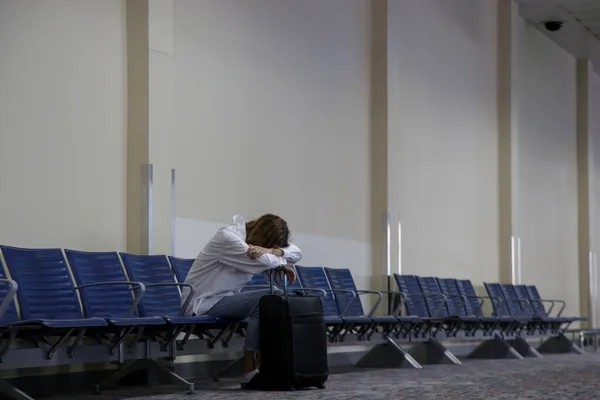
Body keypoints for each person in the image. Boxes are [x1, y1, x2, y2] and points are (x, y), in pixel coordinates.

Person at [183, 213, 301, 389]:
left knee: (275, 296)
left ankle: (269, 365)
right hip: (202, 303)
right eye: (266, 244)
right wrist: (280, 261)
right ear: (259, 231)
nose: (263, 248)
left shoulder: (256, 244)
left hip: (224, 299)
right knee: (266, 300)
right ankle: (249, 371)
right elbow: (263, 261)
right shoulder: (228, 238)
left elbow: (297, 252)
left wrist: (273, 252)